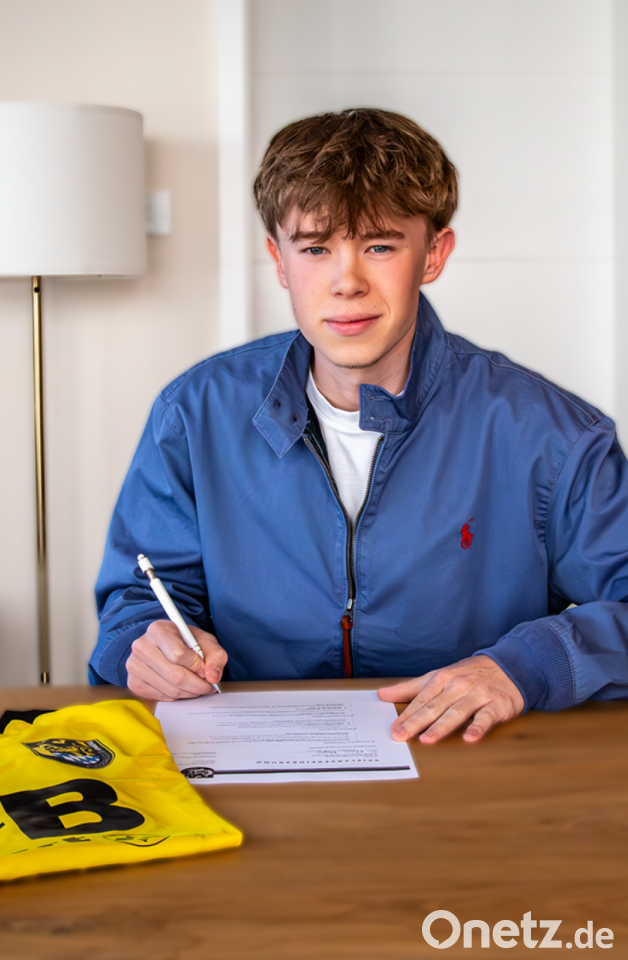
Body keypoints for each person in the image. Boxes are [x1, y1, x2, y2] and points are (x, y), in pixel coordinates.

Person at [90, 108, 628, 744]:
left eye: (379, 246)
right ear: (279, 260)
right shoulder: (193, 413)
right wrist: (143, 642)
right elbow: (140, 597)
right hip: (251, 758)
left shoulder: (554, 436)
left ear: (434, 254)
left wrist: (523, 667)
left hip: (467, 756)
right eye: (315, 248)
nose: (346, 282)